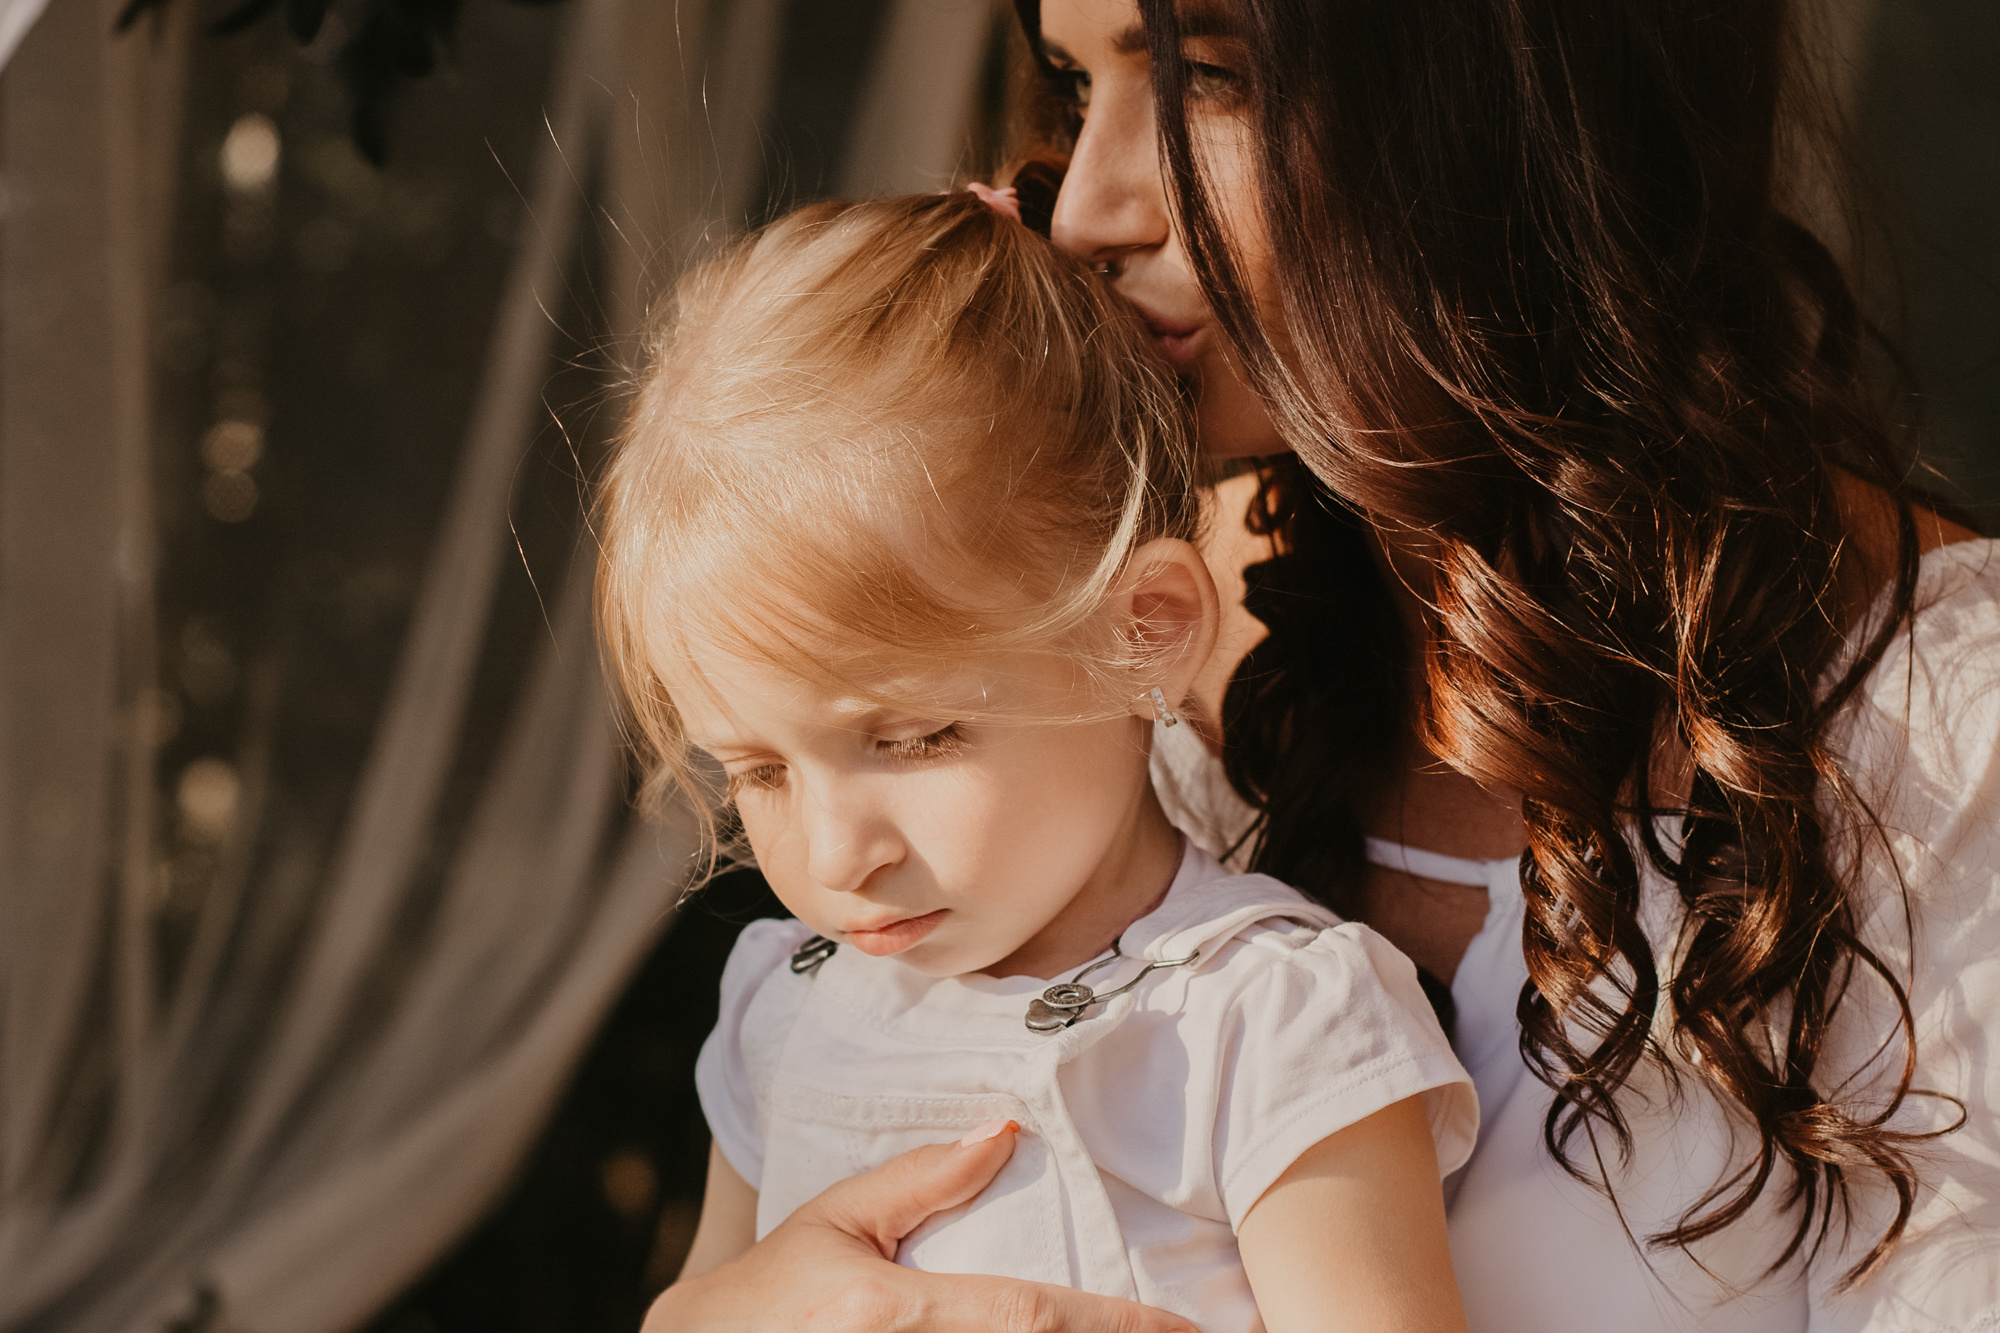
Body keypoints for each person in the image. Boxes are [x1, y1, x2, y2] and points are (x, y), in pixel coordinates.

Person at [644, 0, 2000, 1330]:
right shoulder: (1084, 639)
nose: (1089, 209)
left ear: (1496, 99)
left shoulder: (1948, 742)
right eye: (1073, 89)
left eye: (1207, 82)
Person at [597, 190, 1478, 1333]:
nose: (834, 855)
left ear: (1142, 630)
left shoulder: (1262, 1022)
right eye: (759, 771)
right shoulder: (785, 1005)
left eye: (912, 739)